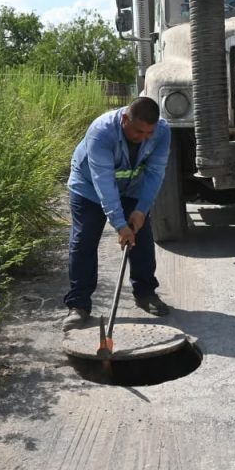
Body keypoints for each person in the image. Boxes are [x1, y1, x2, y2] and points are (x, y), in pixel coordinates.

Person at [62, 96, 172, 331]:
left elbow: (155, 173)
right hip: (89, 187)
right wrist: (120, 225)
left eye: (148, 134)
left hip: (132, 186)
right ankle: (78, 306)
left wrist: (141, 210)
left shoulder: (162, 132)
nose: (143, 138)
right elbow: (103, 183)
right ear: (125, 119)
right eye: (138, 132)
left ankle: (145, 293)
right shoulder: (101, 132)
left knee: (141, 236)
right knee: (84, 241)